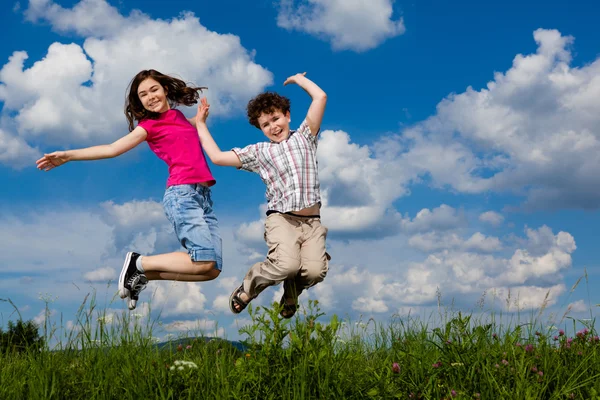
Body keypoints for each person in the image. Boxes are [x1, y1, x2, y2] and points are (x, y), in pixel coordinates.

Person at [36, 69, 222, 310]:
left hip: (204, 196)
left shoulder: (177, 116)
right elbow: (112, 148)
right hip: (182, 193)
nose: (150, 96)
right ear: (139, 101)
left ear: (165, 90)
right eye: (143, 94)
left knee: (211, 270)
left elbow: (195, 129)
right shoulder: (148, 126)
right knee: (204, 259)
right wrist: (69, 155)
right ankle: (139, 261)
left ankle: (142, 276)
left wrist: (200, 120)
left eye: (154, 89)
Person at [195, 72, 330, 318]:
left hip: (312, 222)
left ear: (287, 116)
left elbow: (320, 97)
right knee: (285, 265)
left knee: (314, 272)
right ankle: (249, 288)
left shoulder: (305, 137)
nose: (273, 126)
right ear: (260, 129)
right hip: (282, 219)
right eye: (265, 124)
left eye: (276, 118)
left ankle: (291, 293)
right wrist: (201, 125)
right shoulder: (259, 152)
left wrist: (299, 80)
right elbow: (217, 157)